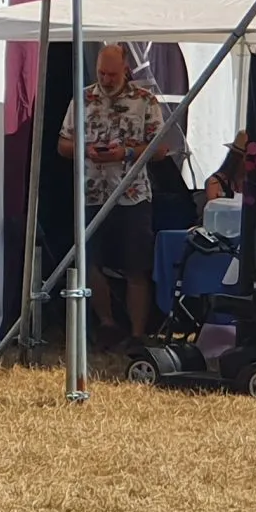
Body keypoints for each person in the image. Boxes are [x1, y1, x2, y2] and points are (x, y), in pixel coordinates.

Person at [58, 42, 165, 348]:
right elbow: (62, 144)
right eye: (101, 73)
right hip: (92, 193)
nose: (105, 80)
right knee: (90, 261)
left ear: (125, 70)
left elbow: (161, 149)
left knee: (136, 265)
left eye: (112, 75)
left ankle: (136, 334)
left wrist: (128, 152)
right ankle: (106, 324)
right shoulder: (82, 99)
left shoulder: (144, 100)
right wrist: (86, 150)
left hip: (132, 195)